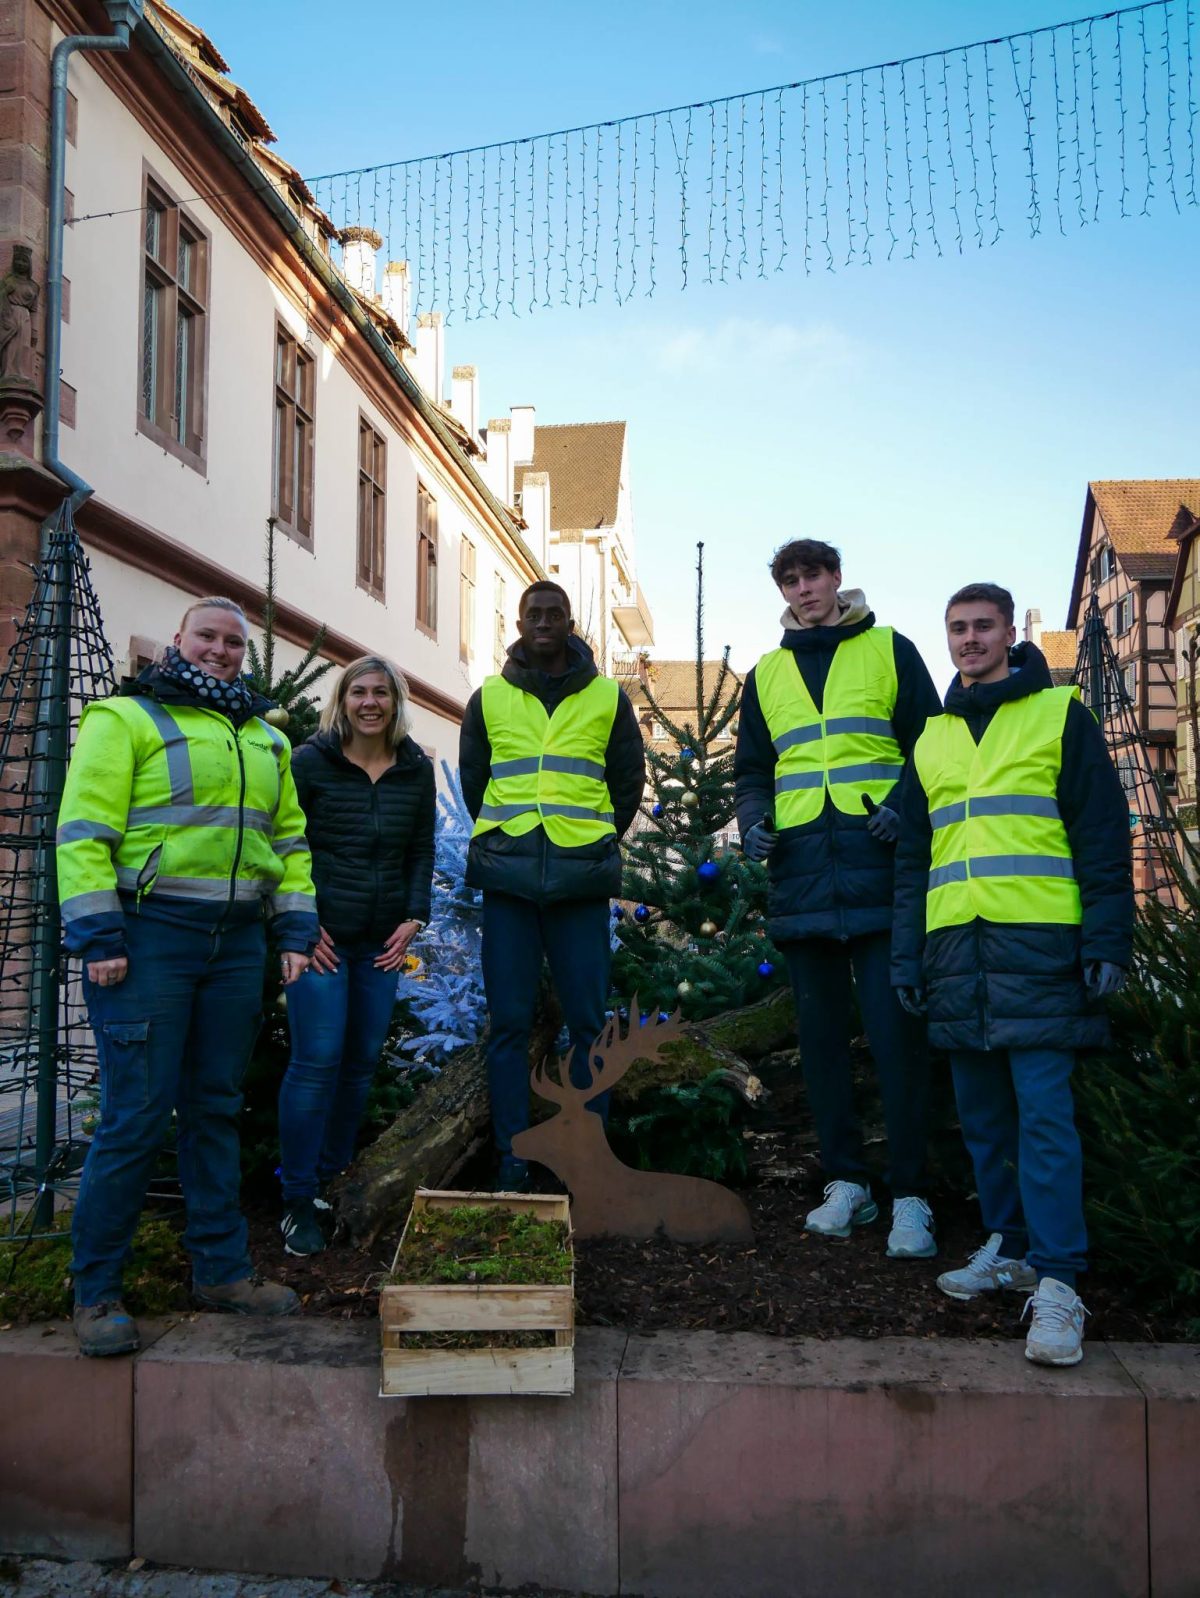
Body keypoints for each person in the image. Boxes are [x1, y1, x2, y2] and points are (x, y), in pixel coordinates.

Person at [56, 596, 319, 1357]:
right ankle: (96, 1291)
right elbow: (83, 834)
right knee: (135, 1116)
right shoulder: (125, 718)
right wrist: (99, 933)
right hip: (147, 942)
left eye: (233, 642)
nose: (221, 650)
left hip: (235, 946)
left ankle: (223, 1273)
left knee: (214, 1110)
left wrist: (295, 928)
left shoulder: (267, 738)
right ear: (178, 640)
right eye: (207, 636)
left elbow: (291, 844)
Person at [892, 582, 1133, 1367]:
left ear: (1008, 633)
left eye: (982, 627)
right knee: (986, 1122)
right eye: (956, 628)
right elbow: (914, 860)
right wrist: (908, 957)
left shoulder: (1062, 716)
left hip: (1041, 950)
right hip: (956, 954)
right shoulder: (929, 738)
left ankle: (1059, 1284)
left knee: (1046, 1120)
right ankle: (1013, 1247)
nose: (968, 640)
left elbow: (1101, 836)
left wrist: (1107, 942)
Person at [734, 538, 941, 1258]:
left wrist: (907, 808)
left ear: (836, 578)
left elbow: (934, 746)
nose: (802, 589)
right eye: (790, 580)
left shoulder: (891, 648)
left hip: (882, 874)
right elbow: (753, 768)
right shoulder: (764, 674)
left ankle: (911, 1194)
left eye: (812, 575)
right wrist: (752, 819)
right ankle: (846, 1183)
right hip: (800, 878)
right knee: (821, 1045)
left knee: (896, 1042)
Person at [459, 579, 645, 1189]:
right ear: (519, 623)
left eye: (554, 614)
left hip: (580, 883)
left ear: (570, 623)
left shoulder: (608, 698)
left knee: (589, 1024)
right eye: (533, 614)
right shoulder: (487, 698)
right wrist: (513, 840)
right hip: (509, 881)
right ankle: (512, 1160)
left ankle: (586, 1163)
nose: (543, 622)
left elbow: (626, 786)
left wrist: (591, 842)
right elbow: (475, 781)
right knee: (509, 1024)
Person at [277, 656, 435, 1256]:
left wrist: (414, 916)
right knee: (316, 1058)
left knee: (361, 1063)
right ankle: (297, 1196)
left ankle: (333, 1179)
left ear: (396, 702)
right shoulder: (310, 762)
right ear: (341, 701)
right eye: (357, 692)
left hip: (381, 946)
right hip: (322, 942)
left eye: (381, 693)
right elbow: (285, 842)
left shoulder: (415, 767)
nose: (369, 702)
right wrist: (298, 924)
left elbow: (420, 848)